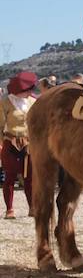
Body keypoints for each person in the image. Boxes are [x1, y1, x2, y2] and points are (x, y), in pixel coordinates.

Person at [1, 71, 38, 218]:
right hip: (10, 143)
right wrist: (2, 144)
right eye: (28, 89)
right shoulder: (4, 103)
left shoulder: (33, 102)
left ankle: (32, 208)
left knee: (29, 178)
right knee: (9, 177)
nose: (30, 92)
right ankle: (9, 209)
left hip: (28, 144)